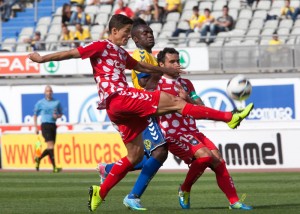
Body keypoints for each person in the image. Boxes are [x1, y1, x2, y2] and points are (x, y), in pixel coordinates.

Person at [28, 14, 254, 212]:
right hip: (119, 98)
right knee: (175, 102)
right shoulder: (101, 45)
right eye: (125, 33)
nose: (127, 37)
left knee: (134, 156)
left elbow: (143, 67)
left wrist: (165, 69)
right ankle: (230, 117)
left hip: (118, 110)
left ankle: (101, 192)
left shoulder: (120, 53)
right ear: (114, 31)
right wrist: (42, 59)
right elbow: (71, 53)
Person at [99, 47, 253, 211]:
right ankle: (184, 189)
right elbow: (143, 96)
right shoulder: (156, 84)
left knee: (218, 160)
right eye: (172, 62)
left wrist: (188, 100)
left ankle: (234, 201)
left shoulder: (186, 84)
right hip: (173, 134)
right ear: (161, 65)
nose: (176, 65)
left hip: (192, 130)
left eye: (178, 61)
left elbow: (200, 106)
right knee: (205, 156)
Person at [97, 18, 168, 211]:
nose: (150, 35)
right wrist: (161, 71)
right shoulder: (141, 56)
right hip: (142, 109)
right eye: (144, 33)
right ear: (135, 39)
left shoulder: (149, 55)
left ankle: (109, 169)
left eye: (151, 32)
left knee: (144, 156)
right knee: (159, 152)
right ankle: (133, 196)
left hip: (147, 109)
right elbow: (146, 85)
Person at [33, 85, 63, 173]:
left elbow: (60, 114)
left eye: (50, 91)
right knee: (51, 146)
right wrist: (35, 127)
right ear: (44, 93)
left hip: (53, 125)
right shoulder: (40, 103)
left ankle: (38, 159)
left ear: (52, 92)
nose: (49, 92)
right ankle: (54, 167)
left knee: (51, 148)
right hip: (45, 125)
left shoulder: (56, 102)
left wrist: (57, 116)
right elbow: (35, 115)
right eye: (47, 91)